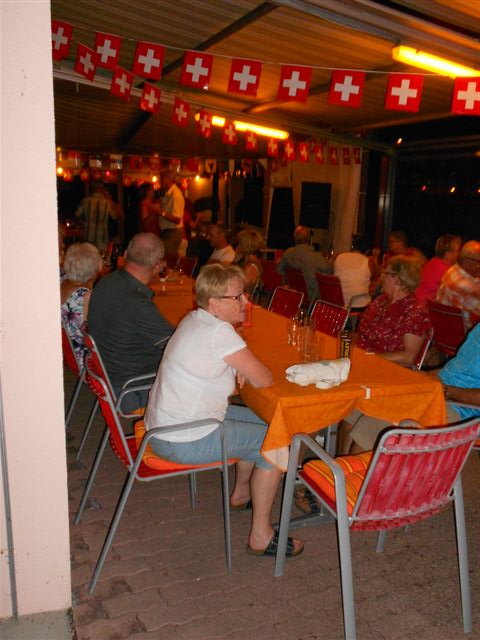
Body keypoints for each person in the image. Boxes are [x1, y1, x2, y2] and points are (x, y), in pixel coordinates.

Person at [145, 264, 303, 557]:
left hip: (168, 426)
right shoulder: (220, 334)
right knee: (277, 441)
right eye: (237, 297)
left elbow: (219, 367)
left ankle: (241, 493)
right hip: (184, 438)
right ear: (215, 303)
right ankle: (261, 536)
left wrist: (236, 365)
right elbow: (264, 379)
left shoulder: (195, 319)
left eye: (244, 294)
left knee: (266, 422)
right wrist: (241, 365)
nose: (246, 302)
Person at [339, 322, 480, 455]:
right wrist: (428, 375)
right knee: (360, 401)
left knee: (375, 423)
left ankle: (357, 471)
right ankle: (342, 465)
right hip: (436, 391)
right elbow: (457, 368)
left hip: (459, 410)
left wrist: (447, 390)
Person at [88, 233, 174, 410]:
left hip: (111, 378)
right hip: (132, 390)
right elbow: (179, 345)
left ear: (126, 254)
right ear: (158, 266)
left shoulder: (106, 282)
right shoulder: (136, 303)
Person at [356, 255, 431, 365]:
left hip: (384, 366)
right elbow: (359, 334)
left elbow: (409, 356)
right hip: (359, 359)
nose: (381, 278)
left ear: (396, 279)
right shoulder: (380, 301)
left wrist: (369, 358)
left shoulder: (415, 311)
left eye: (385, 274)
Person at [61, 242, 103, 364]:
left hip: (69, 358)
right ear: (95, 269)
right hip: (87, 363)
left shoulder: (61, 283)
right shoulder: (86, 297)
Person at [277, 225, 332, 303]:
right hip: (313, 295)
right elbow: (330, 270)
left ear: (295, 239)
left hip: (295, 292)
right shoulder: (317, 257)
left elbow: (279, 270)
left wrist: (289, 281)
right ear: (309, 239)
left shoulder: (288, 253)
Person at [436, 240, 480, 329]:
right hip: (464, 334)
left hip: (445, 329)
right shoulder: (468, 288)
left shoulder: (452, 271)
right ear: (467, 262)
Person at [416, 234, 461, 305]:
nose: (459, 254)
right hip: (426, 307)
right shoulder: (448, 271)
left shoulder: (432, 262)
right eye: (457, 251)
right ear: (448, 253)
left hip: (417, 303)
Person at [75, 182, 118, 251]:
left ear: (93, 189)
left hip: (88, 236)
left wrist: (83, 223)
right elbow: (114, 216)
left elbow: (77, 214)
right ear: (102, 189)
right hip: (102, 237)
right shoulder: (108, 202)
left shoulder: (85, 201)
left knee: (88, 254)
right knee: (101, 255)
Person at [333, 235, 372, 308]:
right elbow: (375, 278)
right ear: (367, 251)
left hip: (337, 304)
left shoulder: (339, 257)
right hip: (359, 305)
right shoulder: (368, 261)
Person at [159, 170, 185, 256]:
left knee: (169, 258)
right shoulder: (169, 194)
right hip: (169, 232)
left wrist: (160, 211)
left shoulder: (175, 195)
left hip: (172, 233)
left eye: (161, 178)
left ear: (168, 179)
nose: (159, 181)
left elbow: (177, 219)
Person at [233, 228, 265, 294]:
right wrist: (236, 260)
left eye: (239, 243)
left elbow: (236, 289)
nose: (237, 246)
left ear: (244, 246)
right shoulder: (255, 261)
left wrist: (235, 260)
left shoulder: (250, 267)